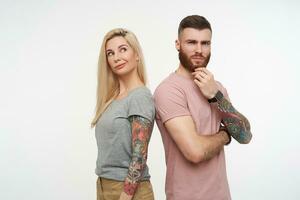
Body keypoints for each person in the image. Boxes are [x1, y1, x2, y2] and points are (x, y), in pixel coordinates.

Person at [153, 15, 252, 200]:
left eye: (205, 43)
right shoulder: (168, 90)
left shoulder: (216, 88)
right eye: (191, 42)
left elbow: (245, 135)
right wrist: (225, 135)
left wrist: (216, 95)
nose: (199, 50)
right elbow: (195, 152)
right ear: (178, 44)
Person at [91, 28, 155, 200]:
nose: (116, 57)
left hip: (129, 191)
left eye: (123, 49)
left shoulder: (140, 96)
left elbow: (139, 155)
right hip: (105, 186)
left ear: (137, 54)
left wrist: (125, 195)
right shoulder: (112, 99)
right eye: (110, 53)